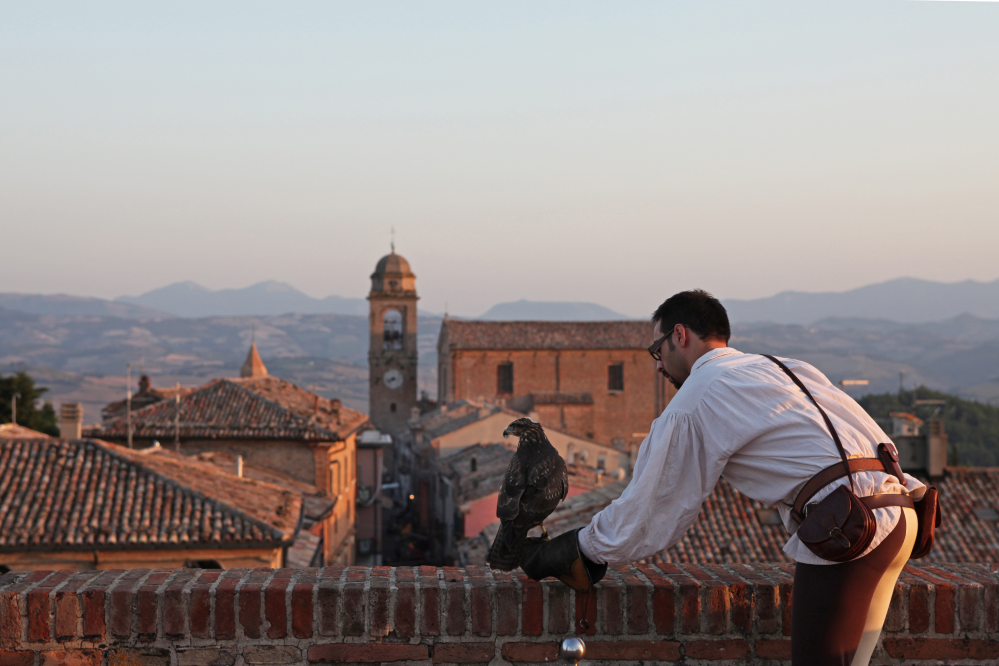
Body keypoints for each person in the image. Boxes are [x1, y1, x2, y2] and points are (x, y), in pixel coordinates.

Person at [520, 289, 926, 666]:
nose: (659, 364)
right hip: (898, 509)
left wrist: (580, 547)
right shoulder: (783, 366)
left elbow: (654, 506)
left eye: (656, 350)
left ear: (679, 335)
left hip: (848, 527)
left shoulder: (697, 396)